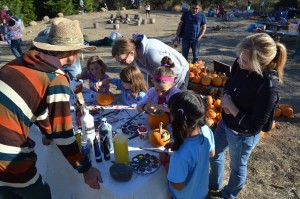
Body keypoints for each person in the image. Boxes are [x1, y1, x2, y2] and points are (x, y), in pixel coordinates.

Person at [0, 17, 102, 199]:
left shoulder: (19, 63)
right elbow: (63, 133)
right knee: (38, 193)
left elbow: (36, 104)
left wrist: (46, 132)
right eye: (78, 50)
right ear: (71, 52)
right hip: (7, 155)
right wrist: (85, 169)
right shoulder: (55, 77)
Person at [209, 33, 287, 199]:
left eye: (244, 60)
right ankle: (213, 183)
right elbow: (230, 83)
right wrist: (226, 97)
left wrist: (233, 108)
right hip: (225, 123)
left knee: (237, 167)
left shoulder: (268, 87)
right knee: (214, 153)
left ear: (260, 64)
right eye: (239, 57)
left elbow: (254, 126)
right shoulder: (240, 63)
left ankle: (229, 194)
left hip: (242, 135)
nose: (238, 61)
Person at [159, 90, 215, 199]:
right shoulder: (206, 131)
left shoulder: (180, 155)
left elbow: (177, 185)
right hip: (202, 192)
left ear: (175, 118)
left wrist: (166, 163)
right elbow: (212, 153)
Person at [112, 34, 189, 90]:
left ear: (131, 53)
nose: (122, 64)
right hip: (163, 80)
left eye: (123, 60)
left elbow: (176, 70)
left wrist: (169, 90)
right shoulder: (135, 59)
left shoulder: (153, 55)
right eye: (119, 61)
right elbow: (146, 75)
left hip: (181, 73)